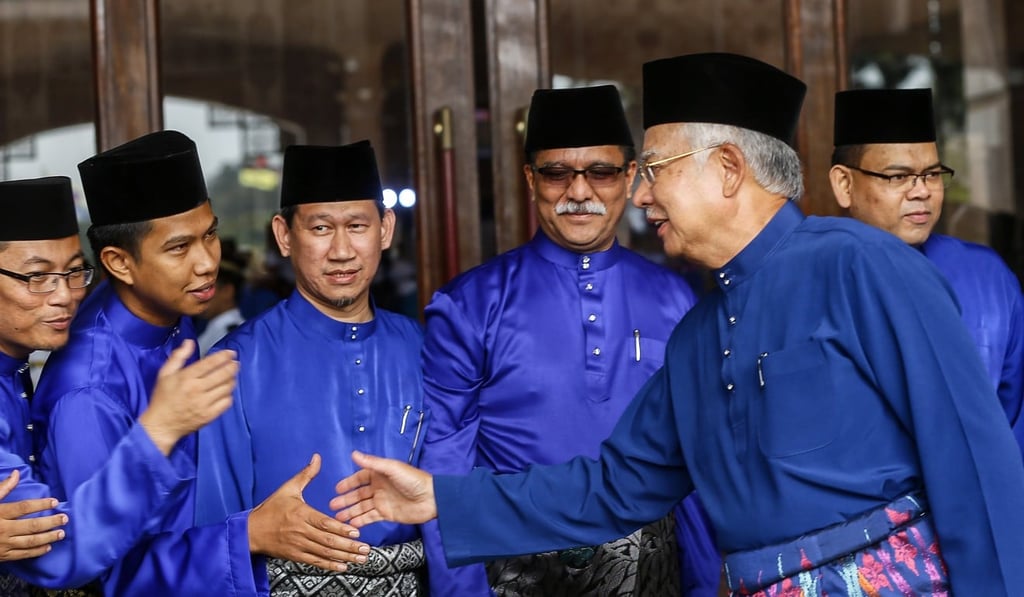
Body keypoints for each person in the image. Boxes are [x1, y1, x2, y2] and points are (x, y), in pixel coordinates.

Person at [332, 52, 1024, 596]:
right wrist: (442, 497)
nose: (639, 193)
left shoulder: (859, 266)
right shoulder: (698, 333)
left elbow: (973, 463)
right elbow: (611, 487)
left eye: (654, 168)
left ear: (727, 170)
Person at [32, 131, 371, 596]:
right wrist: (251, 534)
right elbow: (111, 573)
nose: (207, 263)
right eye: (178, 248)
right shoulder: (88, 391)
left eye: (209, 234)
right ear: (119, 262)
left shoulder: (168, 313)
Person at [418, 84, 718, 596]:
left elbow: (694, 456)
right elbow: (443, 463)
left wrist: (707, 581)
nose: (579, 193)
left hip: (651, 571)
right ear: (530, 179)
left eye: (600, 172)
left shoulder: (675, 298)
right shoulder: (470, 304)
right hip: (514, 572)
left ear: (629, 178)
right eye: (557, 173)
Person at [195, 140, 427, 595]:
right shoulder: (235, 364)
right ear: (284, 235)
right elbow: (213, 525)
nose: (341, 250)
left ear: (385, 229)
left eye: (357, 225)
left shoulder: (426, 349)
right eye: (320, 228)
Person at [0, 175, 242, 595]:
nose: (65, 296)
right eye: (37, 278)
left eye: (75, 271)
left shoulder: (16, 364)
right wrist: (159, 431)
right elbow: (62, 552)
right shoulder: (86, 385)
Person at [828, 87, 1024, 456]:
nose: (921, 192)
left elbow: (1014, 422)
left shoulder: (987, 276)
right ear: (844, 184)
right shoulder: (809, 281)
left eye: (932, 174)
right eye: (898, 177)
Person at [196, 248, 247, 356]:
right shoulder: (217, 328)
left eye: (206, 289)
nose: (199, 296)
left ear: (227, 291)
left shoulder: (230, 334)